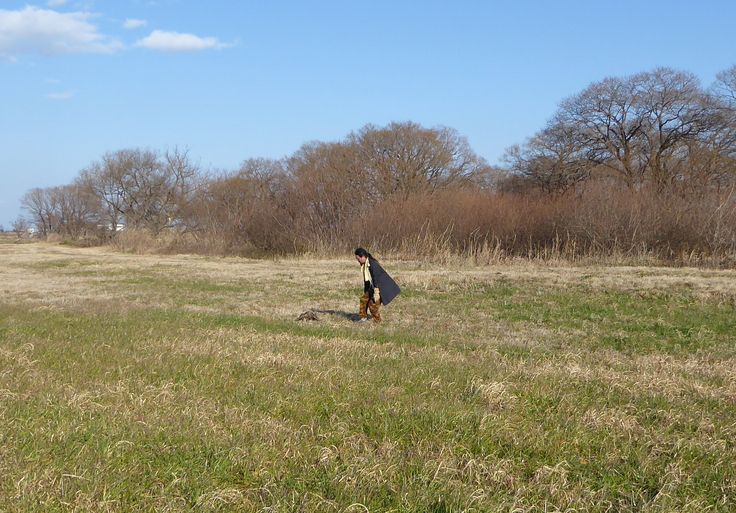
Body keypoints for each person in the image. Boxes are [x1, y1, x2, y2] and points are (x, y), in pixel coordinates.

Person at [354, 247, 400, 322]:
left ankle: (377, 321)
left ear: (363, 257)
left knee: (372, 306)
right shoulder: (365, 265)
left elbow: (376, 278)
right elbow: (367, 280)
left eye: (358, 259)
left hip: (382, 287)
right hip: (373, 286)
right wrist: (366, 292)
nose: (358, 261)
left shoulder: (373, 264)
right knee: (363, 299)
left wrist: (376, 293)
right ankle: (363, 317)